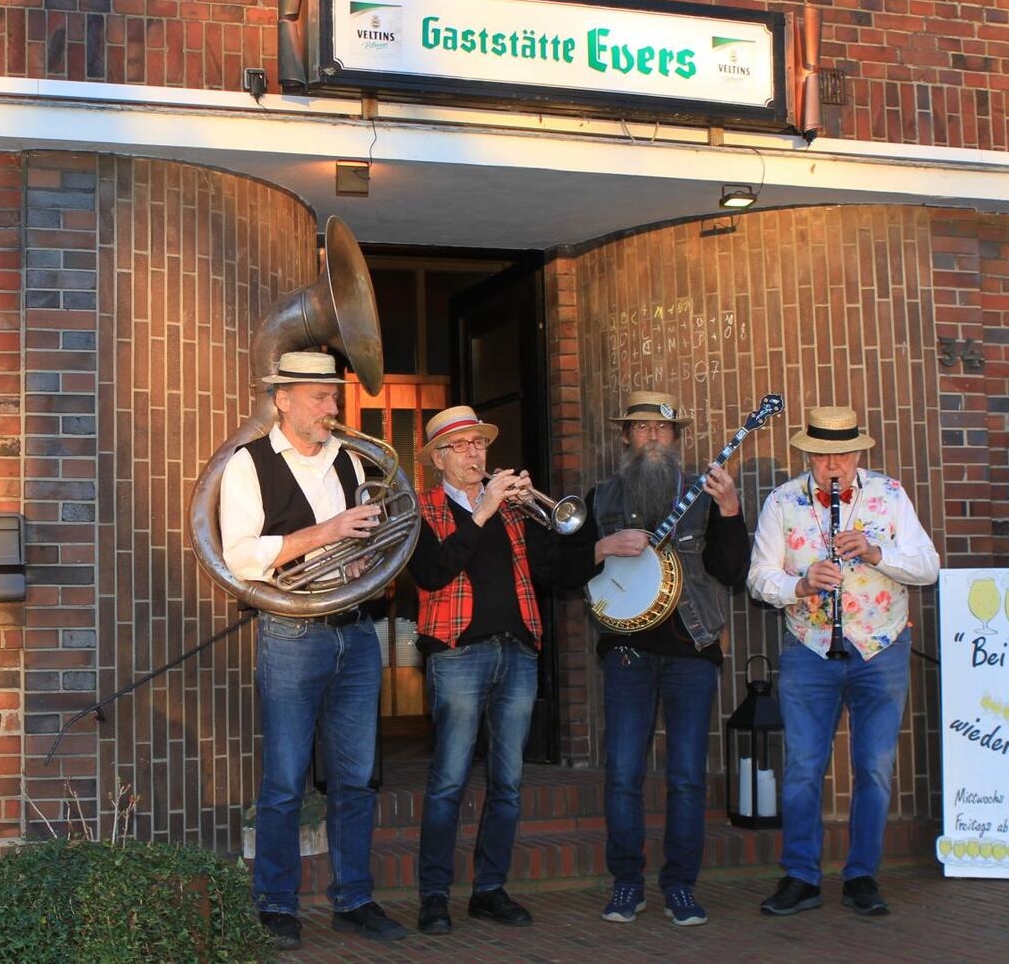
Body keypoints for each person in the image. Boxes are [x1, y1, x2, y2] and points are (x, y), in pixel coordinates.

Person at [219, 350, 406, 949]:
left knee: (355, 778)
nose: (332, 407)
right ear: (283, 400)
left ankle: (354, 897)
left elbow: (374, 541)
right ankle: (275, 903)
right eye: (320, 397)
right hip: (291, 633)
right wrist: (325, 534)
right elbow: (240, 555)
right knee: (285, 779)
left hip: (354, 630)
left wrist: (367, 551)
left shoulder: (351, 459)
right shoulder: (247, 465)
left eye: (334, 397)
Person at [408, 405, 595, 937]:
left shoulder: (514, 510)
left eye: (479, 444)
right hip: (457, 654)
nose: (475, 453)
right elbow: (431, 572)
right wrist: (483, 511)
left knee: (508, 782)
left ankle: (490, 890)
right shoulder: (421, 509)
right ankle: (434, 896)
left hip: (517, 652)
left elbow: (553, 574)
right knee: (447, 782)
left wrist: (536, 516)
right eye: (462, 445)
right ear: (439, 458)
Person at [747, 405, 939, 918]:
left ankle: (861, 876)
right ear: (808, 454)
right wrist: (802, 584)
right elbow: (760, 579)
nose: (835, 465)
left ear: (858, 452)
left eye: (844, 454)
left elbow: (927, 567)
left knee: (874, 768)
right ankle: (801, 877)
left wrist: (878, 554)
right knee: (804, 768)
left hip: (881, 647)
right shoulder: (783, 502)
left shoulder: (890, 495)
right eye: (824, 455)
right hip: (810, 649)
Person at [586, 390, 751, 928]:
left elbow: (732, 570)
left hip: (691, 650)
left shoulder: (704, 496)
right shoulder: (601, 499)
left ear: (676, 438)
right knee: (623, 773)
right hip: (629, 652)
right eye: (640, 429)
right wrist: (602, 547)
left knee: (685, 775)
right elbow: (567, 572)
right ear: (626, 438)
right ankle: (626, 884)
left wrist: (730, 511)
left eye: (661, 429)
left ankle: (680, 885)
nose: (651, 437)